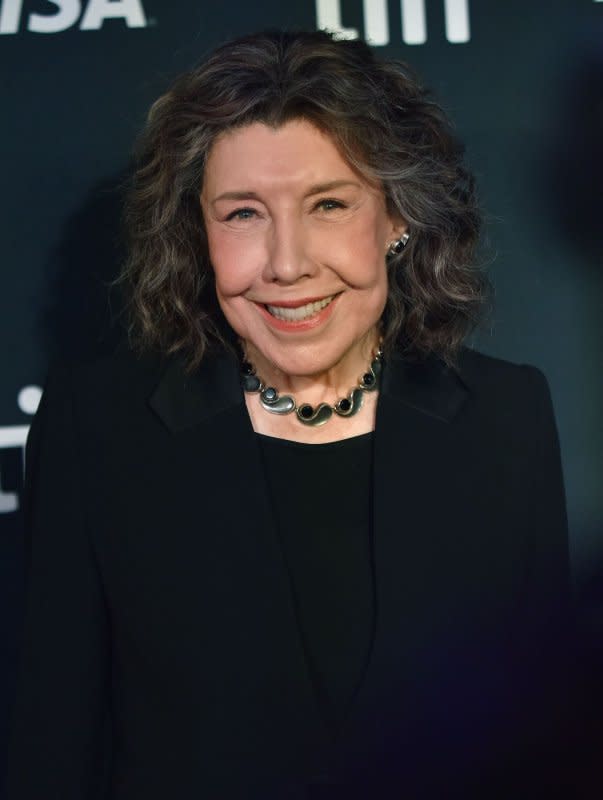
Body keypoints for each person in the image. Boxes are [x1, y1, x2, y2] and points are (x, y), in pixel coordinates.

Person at [5, 29, 589, 800]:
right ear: (196, 233)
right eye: (243, 214)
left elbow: (543, 755)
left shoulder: (505, 415)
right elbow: (52, 747)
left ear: (397, 221)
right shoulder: (100, 426)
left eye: (328, 205)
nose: (287, 263)